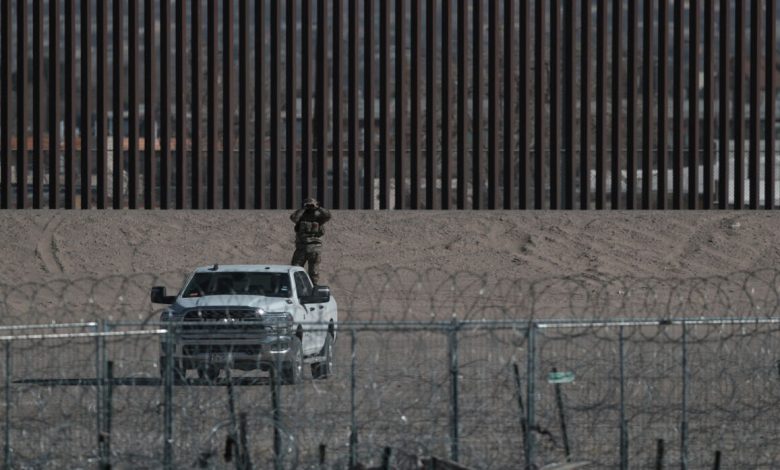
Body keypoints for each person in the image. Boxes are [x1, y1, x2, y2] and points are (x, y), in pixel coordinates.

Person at [290, 197, 331, 285]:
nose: (310, 207)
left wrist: (318, 207)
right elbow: (293, 218)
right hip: (301, 247)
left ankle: (313, 286)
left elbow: (328, 216)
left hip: (314, 247)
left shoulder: (318, 216)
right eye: (308, 205)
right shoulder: (301, 216)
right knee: (295, 268)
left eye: (311, 205)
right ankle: (297, 285)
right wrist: (303, 209)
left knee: (313, 270)